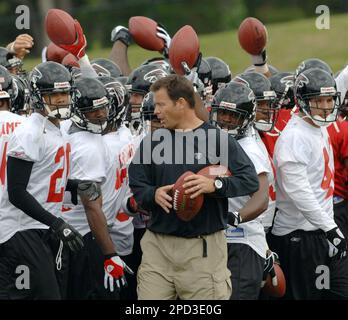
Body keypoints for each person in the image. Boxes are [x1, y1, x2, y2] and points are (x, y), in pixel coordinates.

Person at [129, 74, 259, 300]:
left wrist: (215, 185)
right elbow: (137, 183)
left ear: (180, 103)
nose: (156, 111)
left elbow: (249, 180)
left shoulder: (217, 139)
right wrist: (153, 194)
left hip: (203, 250)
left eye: (161, 104)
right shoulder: (152, 141)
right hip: (157, 247)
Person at [0, 61, 84, 299]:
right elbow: (15, 191)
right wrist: (57, 223)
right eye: (54, 94)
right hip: (20, 230)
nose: (61, 99)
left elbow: (40, 177)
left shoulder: (55, 127)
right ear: (38, 96)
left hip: (38, 227)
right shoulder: (30, 131)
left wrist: (73, 185)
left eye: (65, 92)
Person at [269, 67, 347, 299]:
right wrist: (330, 229)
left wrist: (328, 229)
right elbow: (300, 193)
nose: (325, 106)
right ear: (302, 102)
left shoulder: (316, 123)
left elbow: (341, 83)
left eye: (329, 100)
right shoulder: (295, 137)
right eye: (318, 100)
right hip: (300, 236)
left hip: (319, 232)